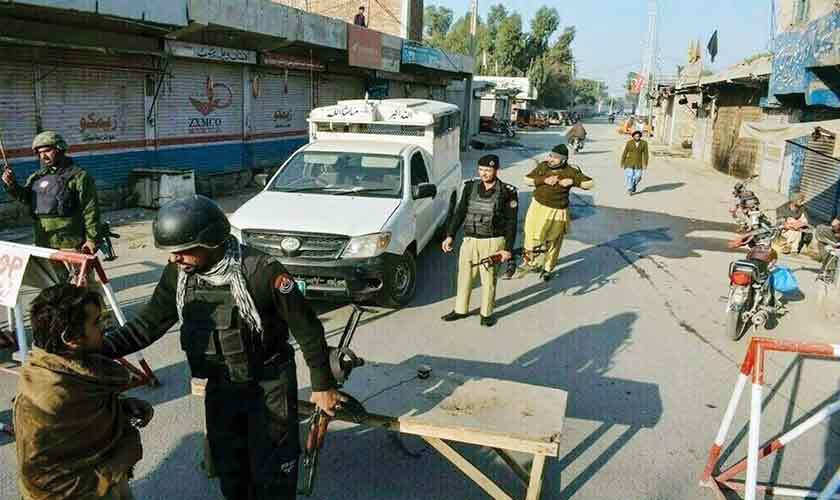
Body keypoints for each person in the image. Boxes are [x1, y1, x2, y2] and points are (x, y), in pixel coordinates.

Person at [98, 195, 345, 499]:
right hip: (221, 387)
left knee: (273, 474)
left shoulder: (261, 271)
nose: (175, 259)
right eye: (172, 252)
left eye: (183, 250)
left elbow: (307, 329)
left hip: (269, 384)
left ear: (211, 241)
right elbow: (147, 325)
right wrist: (93, 350)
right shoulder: (179, 274)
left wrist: (322, 384)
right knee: (230, 471)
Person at [14, 284, 153, 500]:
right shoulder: (46, 401)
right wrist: (117, 464)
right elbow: (43, 484)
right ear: (71, 338)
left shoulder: (73, 372)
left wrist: (121, 408)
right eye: (96, 323)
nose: (104, 328)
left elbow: (81, 417)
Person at [441, 154, 518, 327]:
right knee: (464, 277)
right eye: (481, 169)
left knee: (488, 280)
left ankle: (486, 313)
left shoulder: (508, 191)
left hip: (493, 241)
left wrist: (508, 249)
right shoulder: (470, 187)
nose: (484, 173)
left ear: (496, 170)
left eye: (488, 170)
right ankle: (460, 309)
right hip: (470, 240)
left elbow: (511, 223)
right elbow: (460, 212)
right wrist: (450, 235)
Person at [1, 131, 101, 254]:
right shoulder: (36, 177)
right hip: (43, 242)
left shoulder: (79, 176)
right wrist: (11, 184)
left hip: (70, 243)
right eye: (40, 153)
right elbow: (25, 198)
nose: (43, 156)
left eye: (47, 151)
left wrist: (92, 239)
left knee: (77, 268)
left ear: (60, 149)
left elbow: (90, 209)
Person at [520, 144, 594, 281]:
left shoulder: (571, 171)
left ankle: (548, 268)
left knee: (553, 241)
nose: (551, 159)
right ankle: (531, 262)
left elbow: (590, 183)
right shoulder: (543, 166)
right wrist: (543, 180)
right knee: (530, 235)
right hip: (537, 207)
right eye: (550, 155)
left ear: (563, 160)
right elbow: (527, 180)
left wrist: (573, 181)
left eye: (555, 157)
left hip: (558, 210)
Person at [621, 130, 649, 195]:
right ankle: (629, 189)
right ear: (633, 136)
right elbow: (625, 152)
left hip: (638, 163)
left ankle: (633, 184)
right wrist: (622, 162)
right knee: (629, 176)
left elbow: (646, 154)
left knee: (638, 176)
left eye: (638, 136)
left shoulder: (644, 143)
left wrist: (645, 163)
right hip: (629, 162)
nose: (637, 137)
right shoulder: (629, 143)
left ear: (640, 136)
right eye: (635, 136)